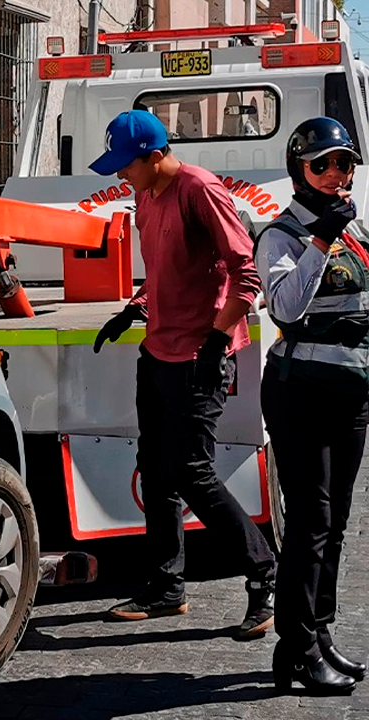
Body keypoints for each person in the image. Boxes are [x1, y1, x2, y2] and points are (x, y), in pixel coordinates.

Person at [91, 109, 277, 639]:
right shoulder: (147, 197)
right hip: (158, 353)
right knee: (155, 470)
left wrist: (218, 340)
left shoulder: (200, 190)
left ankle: (264, 574)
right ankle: (167, 587)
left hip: (200, 355)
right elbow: (165, 269)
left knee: (192, 471)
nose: (120, 174)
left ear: (155, 157)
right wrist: (135, 307)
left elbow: (246, 273)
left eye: (126, 165)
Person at [257, 116, 367, 695]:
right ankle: (296, 649)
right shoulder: (281, 235)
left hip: (350, 392)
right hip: (300, 392)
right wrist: (321, 239)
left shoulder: (356, 229)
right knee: (310, 524)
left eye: (342, 163)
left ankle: (319, 635)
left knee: (337, 523)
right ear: (299, 170)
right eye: (321, 164)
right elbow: (287, 308)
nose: (333, 173)